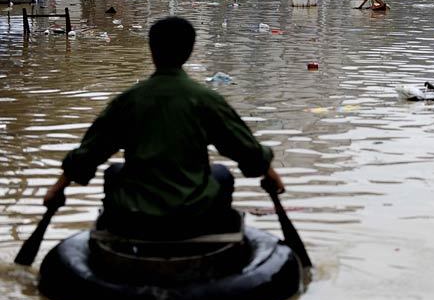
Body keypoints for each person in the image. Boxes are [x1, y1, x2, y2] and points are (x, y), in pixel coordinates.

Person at [43, 17, 284, 239]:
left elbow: (89, 153)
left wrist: (57, 188)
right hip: (195, 213)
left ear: (151, 50)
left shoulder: (129, 101)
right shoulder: (206, 100)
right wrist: (271, 176)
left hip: (134, 213)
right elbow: (246, 150)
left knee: (113, 173)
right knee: (221, 174)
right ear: (189, 52)